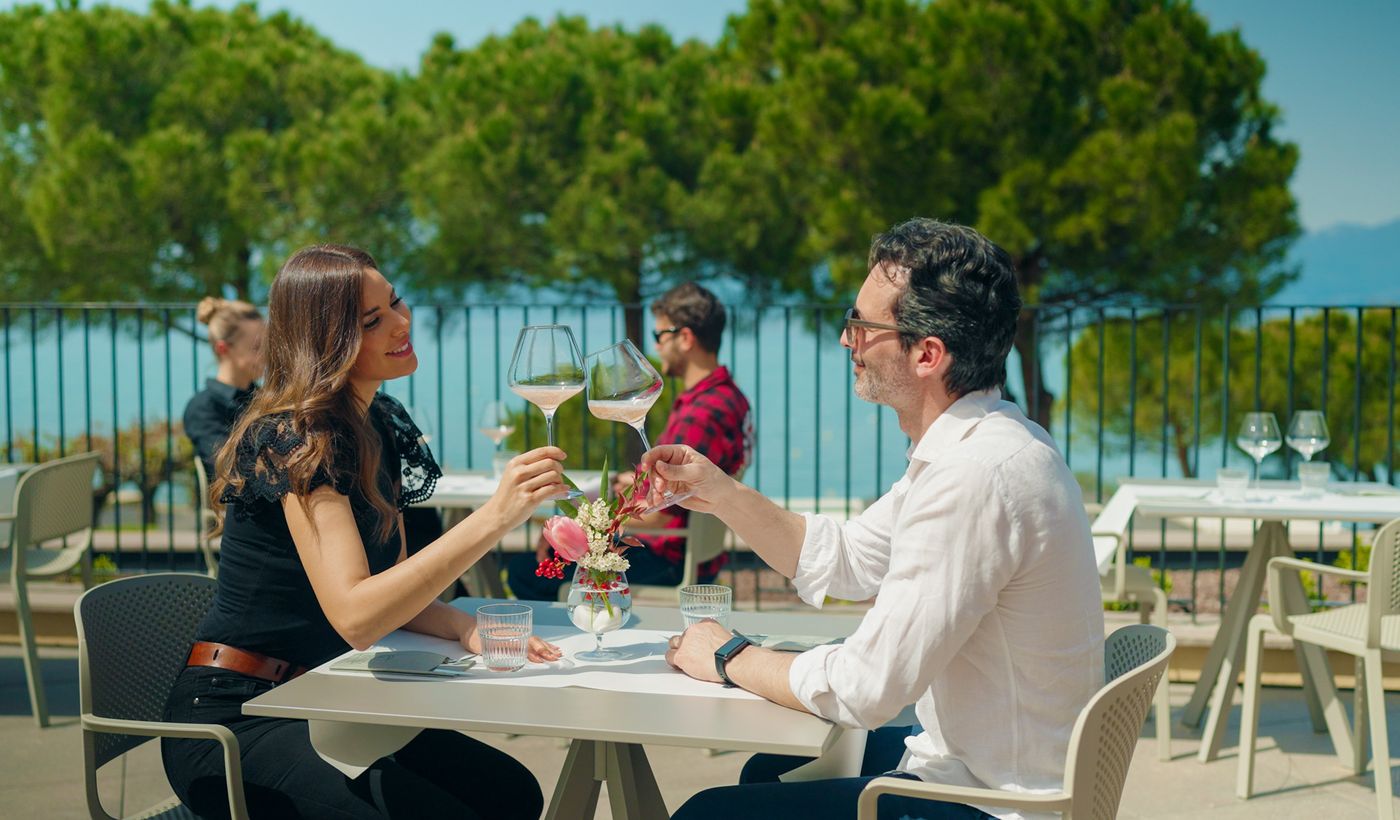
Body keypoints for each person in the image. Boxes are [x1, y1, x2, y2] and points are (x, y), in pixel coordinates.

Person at [642, 219, 1104, 820]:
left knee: (708, 814)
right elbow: (848, 559)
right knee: (768, 769)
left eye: (861, 325)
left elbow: (866, 688)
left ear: (927, 355)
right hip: (983, 765)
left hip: (993, 803)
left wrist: (730, 656)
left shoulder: (976, 477)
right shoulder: (986, 444)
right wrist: (722, 492)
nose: (845, 340)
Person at [162, 244, 566, 819]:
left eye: (395, 302)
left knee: (510, 794)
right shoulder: (295, 438)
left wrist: (465, 627)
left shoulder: (378, 421)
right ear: (326, 342)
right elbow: (357, 617)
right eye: (372, 320)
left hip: (327, 699)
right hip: (238, 717)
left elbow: (394, 591)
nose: (401, 323)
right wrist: (493, 518)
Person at [506, 282, 751, 600]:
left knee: (526, 572)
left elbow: (665, 508)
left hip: (667, 558)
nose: (657, 347)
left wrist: (579, 530)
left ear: (685, 338)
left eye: (659, 336)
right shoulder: (728, 397)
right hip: (694, 553)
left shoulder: (702, 412)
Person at [184, 297, 265, 476]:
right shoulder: (203, 408)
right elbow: (229, 468)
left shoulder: (264, 398)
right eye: (257, 347)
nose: (266, 355)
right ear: (223, 349)